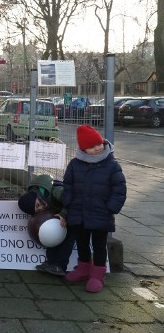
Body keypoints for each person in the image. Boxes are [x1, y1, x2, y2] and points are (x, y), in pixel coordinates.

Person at [62, 125, 127, 293]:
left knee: (99, 245)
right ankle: (83, 268)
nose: (97, 148)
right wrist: (67, 202)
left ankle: (98, 274)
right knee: (82, 242)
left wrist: (111, 208)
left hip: (101, 213)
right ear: (83, 149)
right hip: (79, 212)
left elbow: (119, 188)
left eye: (98, 144)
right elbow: (67, 184)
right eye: (91, 147)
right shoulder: (75, 164)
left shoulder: (111, 165)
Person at [17, 174, 77, 276]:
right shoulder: (40, 197)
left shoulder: (56, 192)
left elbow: (73, 200)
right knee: (53, 237)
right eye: (37, 209)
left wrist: (63, 214)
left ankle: (60, 266)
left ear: (36, 195)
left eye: (38, 205)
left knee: (68, 240)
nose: (41, 208)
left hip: (74, 214)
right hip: (60, 218)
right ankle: (50, 263)